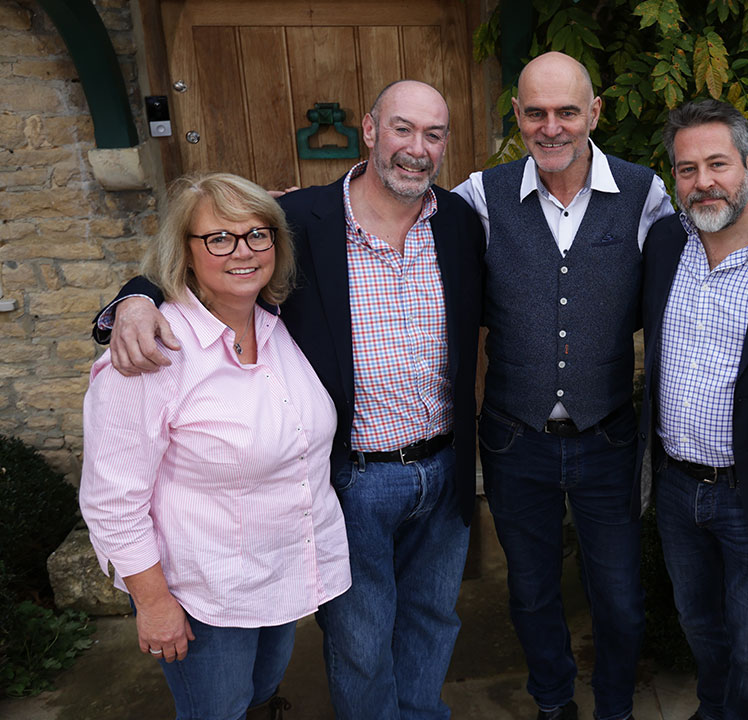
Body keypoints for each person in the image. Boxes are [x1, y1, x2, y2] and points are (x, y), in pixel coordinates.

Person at [91, 81, 485, 720]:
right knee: (360, 638)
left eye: (433, 134)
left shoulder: (462, 222)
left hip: (442, 467)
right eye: (402, 128)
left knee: (434, 619)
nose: (417, 148)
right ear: (368, 129)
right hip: (353, 477)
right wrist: (134, 299)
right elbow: (208, 244)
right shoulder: (301, 220)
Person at [80, 173, 351, 720]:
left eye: (257, 234)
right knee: (217, 710)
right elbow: (113, 501)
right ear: (184, 250)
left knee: (257, 696)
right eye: (219, 238)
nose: (243, 251)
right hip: (203, 593)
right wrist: (154, 603)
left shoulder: (280, 329)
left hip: (281, 572)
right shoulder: (151, 356)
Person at [452, 51, 671, 720]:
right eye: (536, 112)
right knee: (531, 592)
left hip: (607, 436)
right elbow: (403, 243)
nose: (552, 127)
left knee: (619, 595)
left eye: (567, 111)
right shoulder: (478, 197)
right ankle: (553, 704)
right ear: (517, 115)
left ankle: (613, 708)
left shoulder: (646, 194)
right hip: (516, 441)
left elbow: (703, 272)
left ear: (594, 114)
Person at [639, 99, 748, 720]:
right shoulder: (663, 242)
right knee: (697, 623)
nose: (703, 182)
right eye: (687, 169)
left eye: (718, 164)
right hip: (678, 488)